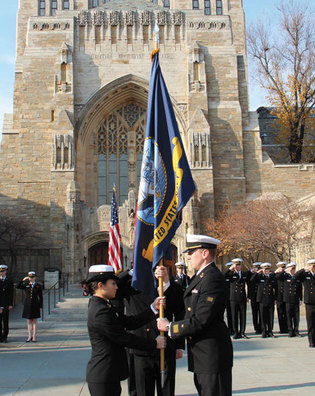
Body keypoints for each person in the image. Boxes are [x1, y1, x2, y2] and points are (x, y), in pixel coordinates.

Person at [157, 234, 233, 396]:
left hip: (212, 354)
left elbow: (201, 319)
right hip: (202, 354)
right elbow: (185, 305)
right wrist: (166, 284)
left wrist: (170, 328)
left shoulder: (212, 278)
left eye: (192, 252)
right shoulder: (200, 277)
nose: (188, 256)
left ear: (205, 253)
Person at [84, 264, 166, 396]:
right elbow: (123, 338)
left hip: (110, 374)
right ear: (100, 285)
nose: (116, 287)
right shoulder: (100, 311)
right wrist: (153, 344)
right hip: (103, 374)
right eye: (113, 283)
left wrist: (152, 308)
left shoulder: (104, 305)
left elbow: (129, 322)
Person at [125, 265, 185, 396]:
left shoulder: (169, 284)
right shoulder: (130, 283)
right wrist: (134, 270)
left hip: (165, 344)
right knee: (142, 391)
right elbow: (115, 286)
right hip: (141, 347)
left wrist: (180, 345)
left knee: (167, 390)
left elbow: (180, 311)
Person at [225, 258, 251, 339]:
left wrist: (248, 296)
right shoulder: (231, 274)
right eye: (236, 265)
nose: (237, 267)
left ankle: (242, 331)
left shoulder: (243, 274)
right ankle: (236, 332)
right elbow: (223, 276)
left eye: (239, 265)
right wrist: (230, 269)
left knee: (243, 315)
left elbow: (249, 284)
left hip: (242, 297)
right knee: (234, 315)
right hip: (233, 298)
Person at [251, 263, 277, 338]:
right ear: (263, 270)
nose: (266, 271)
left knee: (270, 316)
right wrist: (257, 272)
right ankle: (264, 331)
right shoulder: (259, 277)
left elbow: (276, 288)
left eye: (268, 269)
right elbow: (252, 280)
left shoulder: (272, 277)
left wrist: (275, 298)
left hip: (270, 299)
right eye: (265, 269)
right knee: (262, 316)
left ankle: (270, 331)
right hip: (262, 299)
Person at [276, 262, 302, 337]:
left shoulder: (297, 277)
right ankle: (290, 330)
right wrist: (284, 271)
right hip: (288, 299)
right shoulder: (285, 276)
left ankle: (296, 330)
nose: (292, 271)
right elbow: (277, 277)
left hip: (295, 299)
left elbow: (299, 289)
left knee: (296, 316)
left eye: (293, 269)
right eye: (291, 269)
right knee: (289, 315)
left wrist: (301, 299)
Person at [16, 271, 43, 342]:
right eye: (30, 277)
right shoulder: (26, 285)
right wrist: (23, 280)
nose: (31, 279)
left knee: (34, 320)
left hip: (35, 304)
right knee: (29, 320)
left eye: (32, 277)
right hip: (27, 304)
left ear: (35, 278)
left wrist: (40, 306)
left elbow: (40, 297)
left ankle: (34, 336)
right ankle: (29, 336)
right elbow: (17, 286)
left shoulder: (38, 286)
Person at [295, 259, 315, 347]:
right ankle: (311, 341)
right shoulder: (305, 275)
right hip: (309, 302)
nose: (313, 268)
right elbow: (296, 276)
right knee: (310, 322)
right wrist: (304, 269)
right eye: (312, 266)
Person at [0, 264, 14, 343]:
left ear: (6, 272)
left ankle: (5, 336)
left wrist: (10, 304)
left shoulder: (9, 281)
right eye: (1, 272)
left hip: (6, 303)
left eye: (3, 271)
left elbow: (11, 293)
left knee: (5, 321)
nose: (2, 273)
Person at [247, 262, 262, 334]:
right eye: (256, 268)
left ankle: (262, 327)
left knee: (261, 313)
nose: (257, 269)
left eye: (258, 268)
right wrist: (255, 273)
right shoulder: (250, 275)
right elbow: (251, 280)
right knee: (255, 313)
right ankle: (256, 328)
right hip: (253, 297)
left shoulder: (262, 275)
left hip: (261, 296)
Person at [275, 261, 288, 333]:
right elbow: (277, 277)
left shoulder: (286, 274)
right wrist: (279, 272)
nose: (283, 269)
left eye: (284, 267)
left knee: (286, 312)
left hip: (285, 296)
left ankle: (287, 327)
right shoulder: (276, 274)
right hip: (279, 296)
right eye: (281, 267)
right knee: (280, 312)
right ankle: (282, 328)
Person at [224, 262, 233, 335]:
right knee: (229, 314)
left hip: (233, 297)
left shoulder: (234, 275)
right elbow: (223, 275)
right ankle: (230, 328)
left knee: (234, 314)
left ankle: (234, 328)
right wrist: (229, 270)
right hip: (227, 297)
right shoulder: (226, 275)